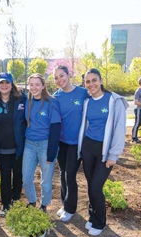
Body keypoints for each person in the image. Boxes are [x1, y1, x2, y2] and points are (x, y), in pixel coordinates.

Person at [77, 68, 128, 236]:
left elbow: (120, 129)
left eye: (94, 80)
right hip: (88, 147)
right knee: (90, 185)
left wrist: (114, 155)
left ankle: (101, 222)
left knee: (96, 187)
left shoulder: (114, 100)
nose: (91, 84)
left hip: (104, 150)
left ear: (100, 80)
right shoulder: (87, 102)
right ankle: (92, 217)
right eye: (87, 81)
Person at [0, 72, 27, 217]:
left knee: (18, 175)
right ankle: (6, 205)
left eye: (7, 83)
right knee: (5, 177)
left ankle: (16, 200)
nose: (4, 85)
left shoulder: (21, 99)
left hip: (18, 147)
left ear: (12, 85)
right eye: (1, 83)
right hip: (1, 148)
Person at [53, 66, 88, 222]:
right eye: (56, 78)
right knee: (62, 173)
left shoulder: (82, 93)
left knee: (70, 175)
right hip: (62, 142)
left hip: (77, 142)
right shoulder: (56, 96)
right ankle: (64, 203)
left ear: (69, 75)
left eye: (62, 76)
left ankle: (70, 208)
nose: (60, 80)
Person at [23, 73, 61, 213]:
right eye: (31, 84)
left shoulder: (51, 102)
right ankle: (32, 201)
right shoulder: (27, 100)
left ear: (43, 86)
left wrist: (51, 152)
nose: (34, 87)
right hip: (29, 144)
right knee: (26, 178)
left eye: (37, 84)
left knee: (45, 180)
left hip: (45, 144)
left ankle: (44, 205)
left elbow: (56, 127)